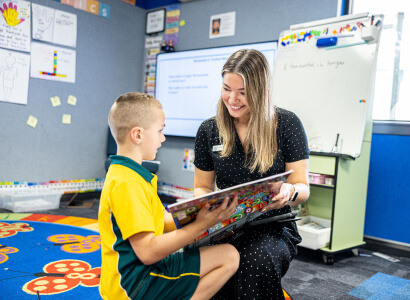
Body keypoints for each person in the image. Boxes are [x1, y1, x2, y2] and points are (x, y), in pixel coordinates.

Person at [99, 92, 240, 300]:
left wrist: (201, 211)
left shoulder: (128, 174)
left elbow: (161, 219)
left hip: (130, 278)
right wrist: (200, 225)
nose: (163, 138)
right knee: (229, 257)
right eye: (160, 131)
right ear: (138, 135)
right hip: (135, 285)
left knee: (227, 254)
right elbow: (147, 253)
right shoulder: (127, 183)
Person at [194, 49, 310, 299]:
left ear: (260, 90)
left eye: (243, 92)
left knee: (252, 261)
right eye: (227, 88)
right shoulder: (208, 129)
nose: (232, 99)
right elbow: (202, 187)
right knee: (199, 262)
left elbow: (302, 186)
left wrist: (289, 192)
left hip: (272, 225)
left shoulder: (287, 124)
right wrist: (205, 207)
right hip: (224, 224)